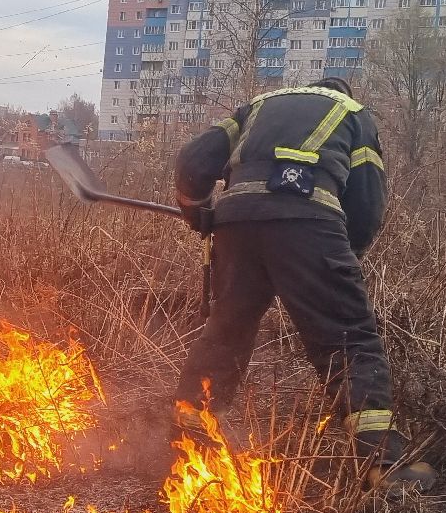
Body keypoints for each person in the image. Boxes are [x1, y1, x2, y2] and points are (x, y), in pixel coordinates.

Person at [171, 76, 411, 482]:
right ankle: (380, 463)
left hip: (236, 224)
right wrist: (342, 260)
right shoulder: (353, 114)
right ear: (340, 92)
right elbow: (367, 205)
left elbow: (192, 162)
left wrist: (198, 213)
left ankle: (188, 437)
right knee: (347, 335)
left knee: (227, 330)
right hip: (308, 223)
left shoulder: (256, 107)